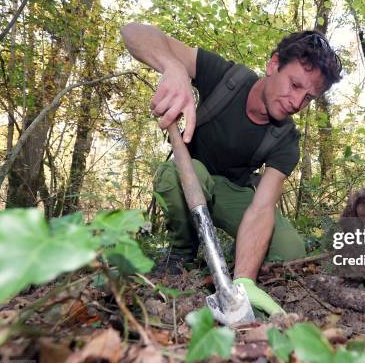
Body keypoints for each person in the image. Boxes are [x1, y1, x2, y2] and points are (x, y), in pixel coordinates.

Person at [120, 23, 342, 315]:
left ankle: (236, 263)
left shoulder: (286, 139)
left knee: (290, 249)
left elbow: (262, 208)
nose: (297, 103)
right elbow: (133, 32)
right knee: (181, 176)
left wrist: (245, 281)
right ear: (274, 64)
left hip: (232, 192)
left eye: (309, 97)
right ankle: (181, 252)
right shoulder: (227, 78)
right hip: (191, 175)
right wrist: (173, 68)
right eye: (295, 85)